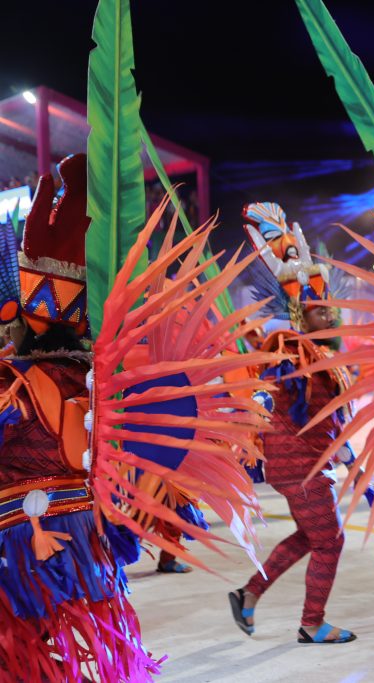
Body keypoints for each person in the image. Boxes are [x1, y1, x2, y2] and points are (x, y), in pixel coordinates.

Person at [1, 155, 270, 681]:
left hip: (17, 547)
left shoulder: (15, 382)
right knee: (100, 650)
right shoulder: (103, 381)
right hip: (85, 542)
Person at [231, 202, 360, 645]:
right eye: (322, 311)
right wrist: (261, 398)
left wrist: (350, 457)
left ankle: (249, 594)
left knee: (311, 536)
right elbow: (269, 387)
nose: (332, 316)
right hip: (298, 464)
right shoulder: (289, 346)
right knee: (331, 541)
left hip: (306, 463)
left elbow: (327, 417)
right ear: (303, 313)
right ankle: (311, 623)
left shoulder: (318, 353)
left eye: (330, 309)